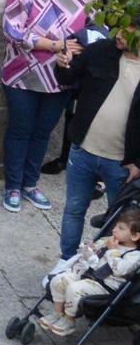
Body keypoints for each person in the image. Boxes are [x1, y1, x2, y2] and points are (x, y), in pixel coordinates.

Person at [1, 0, 96, 212]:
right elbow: (12, 30)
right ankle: (13, 187)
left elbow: (93, 29)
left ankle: (31, 184)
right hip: (22, 73)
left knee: (43, 131)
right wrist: (55, 45)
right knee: (20, 129)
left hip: (62, 75)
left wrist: (74, 52)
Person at [51, 25, 140, 256]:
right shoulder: (101, 50)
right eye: (121, 29)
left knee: (119, 219)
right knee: (74, 209)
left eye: (128, 33)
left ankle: (106, 265)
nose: (119, 35)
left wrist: (138, 162)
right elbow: (68, 77)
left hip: (121, 162)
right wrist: (63, 64)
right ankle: (67, 259)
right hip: (83, 150)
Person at [39, 206, 140, 337]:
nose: (114, 230)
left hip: (105, 286)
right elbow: (92, 253)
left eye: (121, 228)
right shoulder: (108, 241)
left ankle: (69, 320)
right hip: (88, 275)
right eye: (115, 226)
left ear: (135, 236)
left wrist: (112, 251)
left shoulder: (134, 255)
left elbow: (119, 269)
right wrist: (90, 249)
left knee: (74, 289)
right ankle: (58, 312)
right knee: (59, 280)